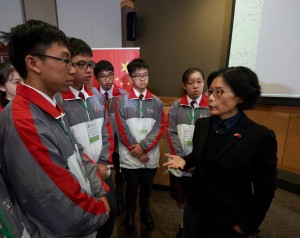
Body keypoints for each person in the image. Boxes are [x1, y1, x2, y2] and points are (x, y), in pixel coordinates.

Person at [0, 20, 110, 237]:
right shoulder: (24, 120)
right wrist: (99, 210)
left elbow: (78, 153)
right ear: (33, 63)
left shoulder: (49, 106)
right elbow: (54, 200)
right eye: (64, 60)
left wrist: (98, 192)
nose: (72, 69)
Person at [164, 66, 277, 238]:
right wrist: (186, 161)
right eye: (210, 91)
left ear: (240, 96)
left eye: (218, 92)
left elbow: (265, 188)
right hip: (194, 211)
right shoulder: (202, 126)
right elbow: (200, 156)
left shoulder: (260, 137)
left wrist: (247, 225)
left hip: (228, 221)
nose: (209, 97)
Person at [55, 37, 116, 238]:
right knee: (87, 225)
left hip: (103, 170)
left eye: (90, 64)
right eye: (81, 64)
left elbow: (106, 132)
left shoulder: (98, 97)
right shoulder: (59, 100)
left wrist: (104, 163)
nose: (89, 70)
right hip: (80, 176)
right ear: (68, 65)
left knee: (110, 215)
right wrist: (91, 170)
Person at [114, 58, 165, 234]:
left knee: (147, 188)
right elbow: (121, 129)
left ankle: (145, 211)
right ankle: (129, 214)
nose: (142, 79)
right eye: (138, 76)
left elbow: (159, 128)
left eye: (145, 75)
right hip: (130, 156)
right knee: (131, 188)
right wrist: (136, 150)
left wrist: (144, 148)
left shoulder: (157, 102)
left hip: (150, 156)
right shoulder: (122, 101)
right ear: (131, 78)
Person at [165, 67, 209, 238]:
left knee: (200, 198)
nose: (195, 86)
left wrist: (195, 162)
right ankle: (183, 225)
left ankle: (198, 227)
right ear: (184, 85)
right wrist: (184, 160)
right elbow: (171, 133)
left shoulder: (210, 106)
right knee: (181, 198)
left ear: (204, 83)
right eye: (191, 83)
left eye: (199, 81)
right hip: (179, 160)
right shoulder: (176, 105)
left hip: (201, 164)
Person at [94, 60, 127, 215]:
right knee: (102, 172)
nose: (107, 80)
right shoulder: (93, 96)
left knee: (120, 173)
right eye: (103, 77)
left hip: (119, 143)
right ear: (97, 79)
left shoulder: (122, 95)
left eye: (110, 76)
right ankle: (104, 197)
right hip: (102, 145)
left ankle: (120, 199)